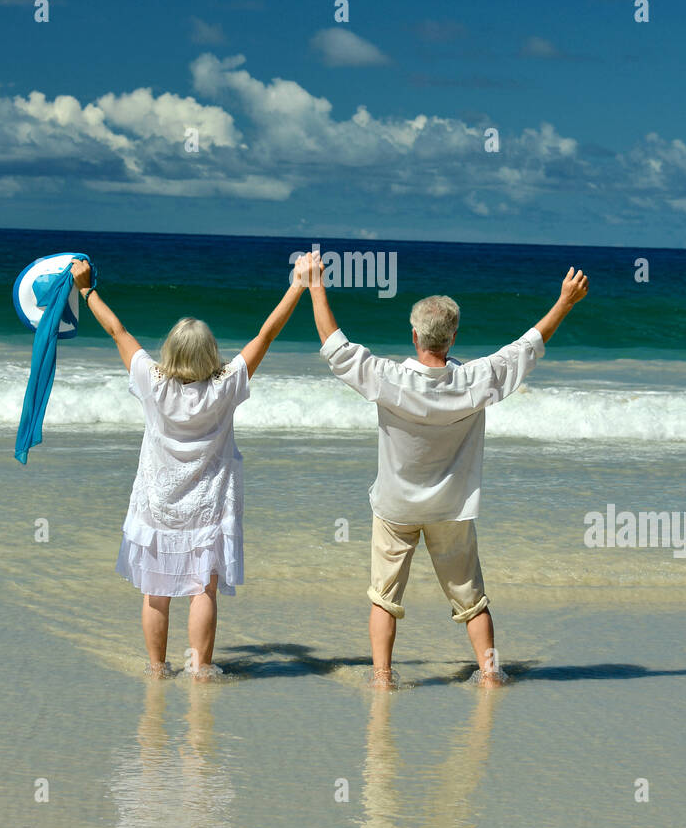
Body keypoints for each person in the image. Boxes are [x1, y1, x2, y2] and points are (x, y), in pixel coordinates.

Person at [306, 258, 589, 688]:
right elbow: (528, 346)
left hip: (396, 505)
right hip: (452, 508)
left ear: (415, 336)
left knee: (384, 597)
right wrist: (565, 302)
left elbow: (335, 347)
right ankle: (490, 673)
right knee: (472, 600)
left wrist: (314, 286)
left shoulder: (390, 378)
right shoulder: (476, 379)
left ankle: (382, 677)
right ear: (454, 336)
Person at [70, 255, 314, 679]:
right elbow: (266, 333)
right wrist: (299, 285)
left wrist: (87, 290)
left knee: (155, 592)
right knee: (204, 588)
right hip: (207, 507)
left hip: (156, 503)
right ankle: (200, 669)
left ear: (171, 350)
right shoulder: (226, 385)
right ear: (210, 353)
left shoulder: (152, 380)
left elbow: (117, 330)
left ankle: (156, 668)